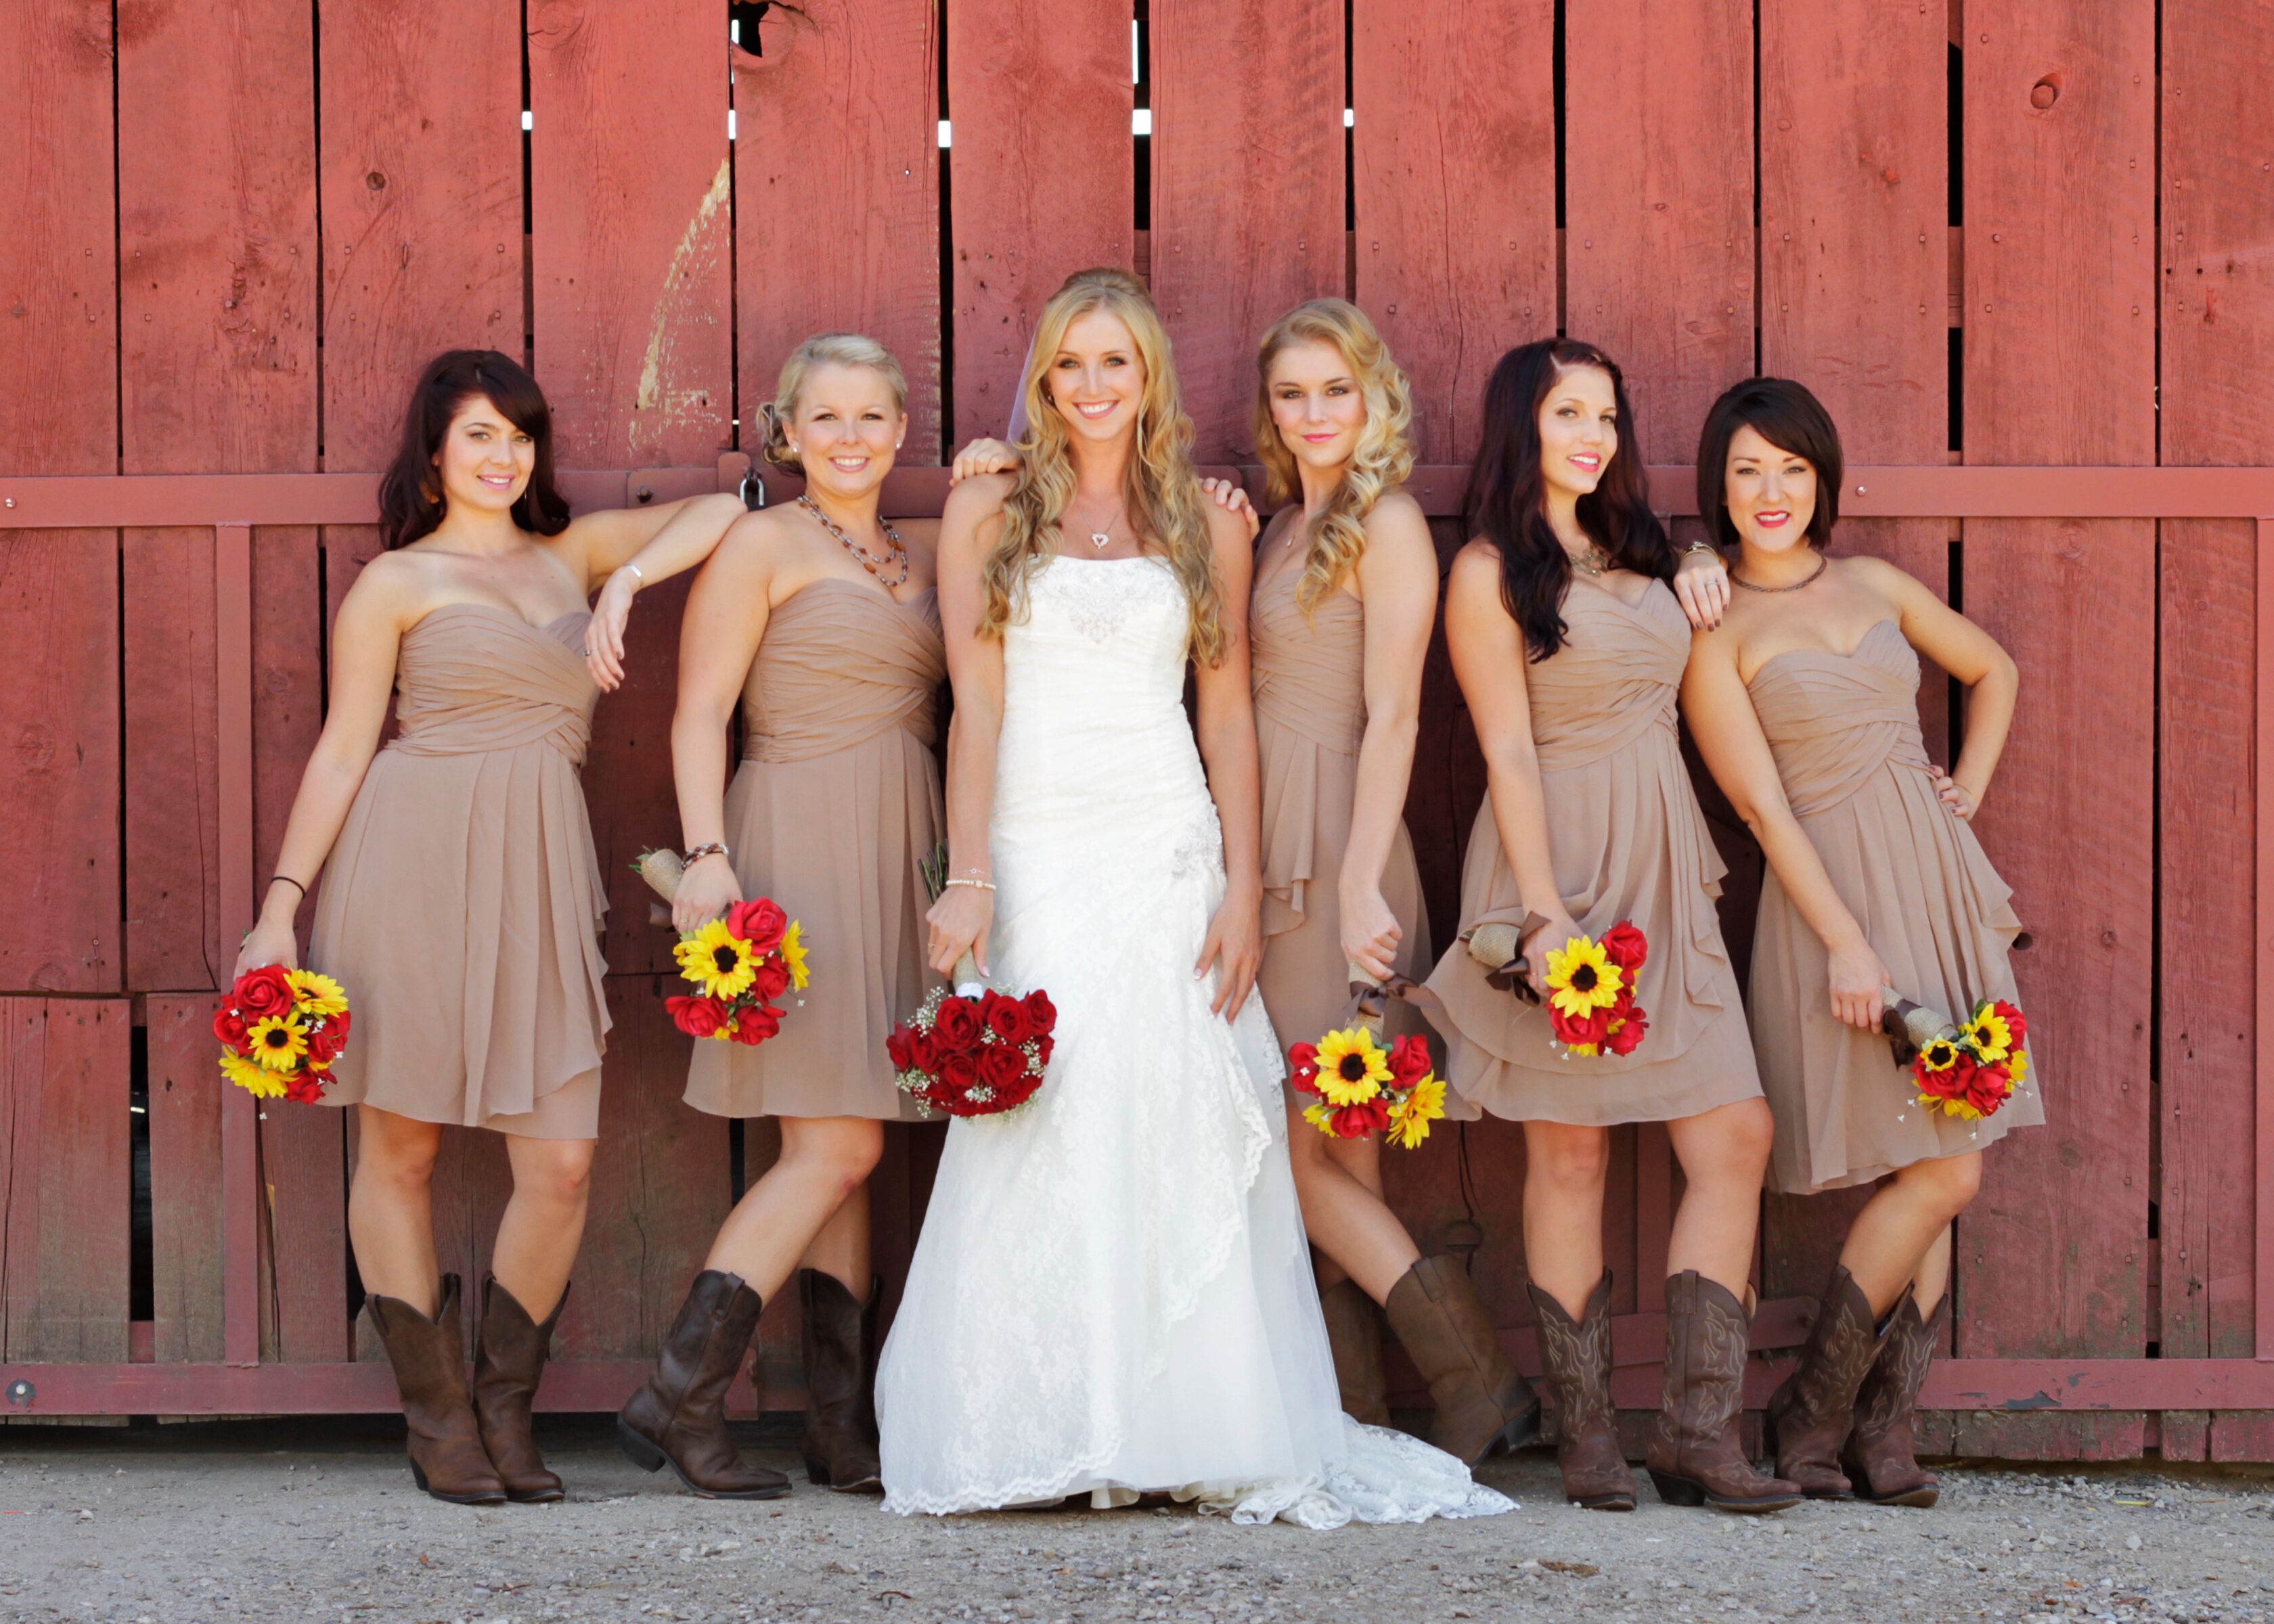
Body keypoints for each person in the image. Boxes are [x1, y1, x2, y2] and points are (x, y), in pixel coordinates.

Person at [874, 268, 1511, 1527]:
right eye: (1073, 365)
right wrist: (972, 873)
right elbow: (977, 705)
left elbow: (1226, 718)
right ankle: (1047, 1422)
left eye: (1119, 363)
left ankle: (1184, 1423)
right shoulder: (988, 507)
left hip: (1168, 842)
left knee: (1178, 1110)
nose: (1096, 387)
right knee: (1042, 1115)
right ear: (1047, 377)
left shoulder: (1207, 516)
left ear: (1150, 376)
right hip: (1038, 841)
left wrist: (1233, 884)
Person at [234, 348, 746, 1505]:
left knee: (559, 1165)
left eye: (519, 436)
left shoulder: (570, 552)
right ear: (433, 452)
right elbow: (343, 750)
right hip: (408, 859)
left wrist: (623, 584)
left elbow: (721, 510)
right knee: (402, 1148)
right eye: (478, 435)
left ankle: (508, 1404)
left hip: (540, 865)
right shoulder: (395, 585)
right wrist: (281, 911)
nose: (504, 456)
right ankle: (440, 1418)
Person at [1422, 338, 1797, 1514]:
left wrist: (1696, 558)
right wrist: (1542, 916)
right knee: (1569, 1146)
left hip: (1666, 865)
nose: (1593, 432)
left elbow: (1703, 647)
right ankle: (1588, 1438)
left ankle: (1697, 1432)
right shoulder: (1488, 569)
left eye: (1608, 412)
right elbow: (1506, 749)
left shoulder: (1648, 552)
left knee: (1732, 1131)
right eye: (1567, 410)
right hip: (1558, 865)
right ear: (1520, 425)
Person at [1682, 376, 2034, 1507]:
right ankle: (1816, 1411)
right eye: (1747, 472)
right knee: (1944, 1166)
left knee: (1934, 1159)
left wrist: (1962, 794)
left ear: (1822, 476)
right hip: (1832, 904)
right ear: (1718, 489)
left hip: (1935, 886)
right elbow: (1762, 810)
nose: (1771, 492)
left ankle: (1876, 1432)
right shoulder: (1711, 628)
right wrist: (1845, 944)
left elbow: (1994, 669)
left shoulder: (1876, 582)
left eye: (1791, 468)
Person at [615, 335, 950, 1499]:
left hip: (902, 845)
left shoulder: (929, 551)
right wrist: (708, 857)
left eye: (872, 418)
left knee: (852, 1136)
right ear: (789, 432)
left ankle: (836, 1428)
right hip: (793, 842)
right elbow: (700, 712)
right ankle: (679, 1392)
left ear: (901, 432)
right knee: (837, 1144)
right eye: (827, 418)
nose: (850, 437)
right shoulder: (763, 541)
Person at [1242, 298, 1536, 1462]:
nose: (1314, 414)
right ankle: (1354, 1411)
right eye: (1291, 393)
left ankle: (1481, 1382)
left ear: (1375, 400)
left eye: (1335, 390)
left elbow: (1397, 712)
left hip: (1335, 842)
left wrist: (1362, 881)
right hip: (1269, 833)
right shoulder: (1276, 529)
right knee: (1337, 1140)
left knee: (1291, 1150)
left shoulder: (1390, 523)